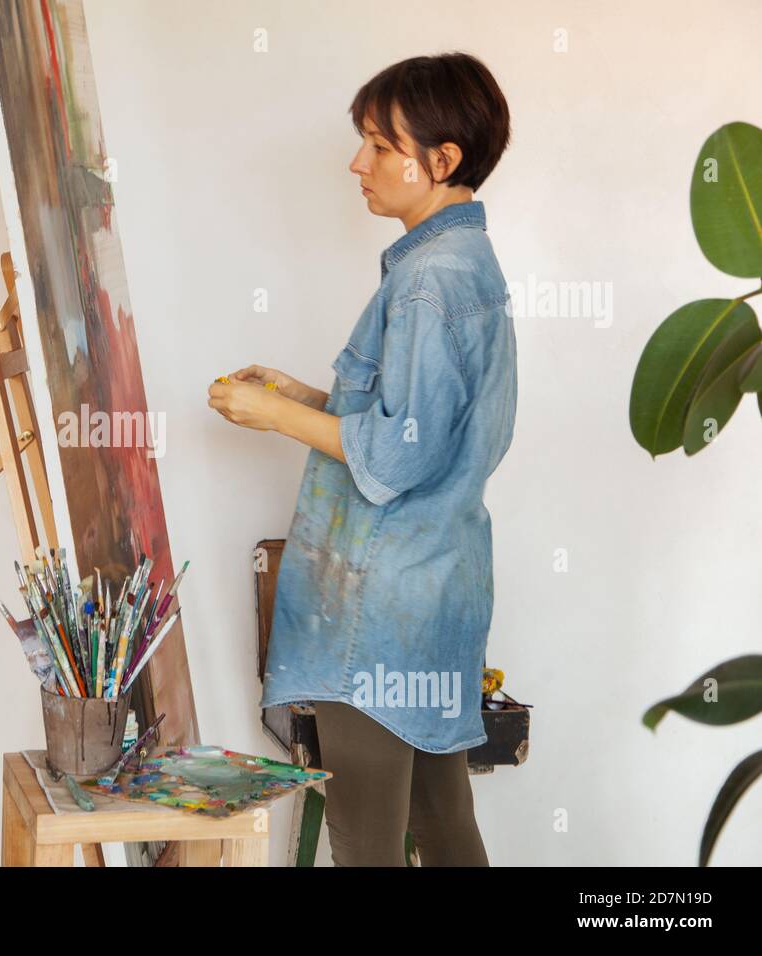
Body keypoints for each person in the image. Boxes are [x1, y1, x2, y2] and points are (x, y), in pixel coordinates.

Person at [208, 51, 516, 866]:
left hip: (382, 612)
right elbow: (424, 427)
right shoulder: (465, 266)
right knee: (445, 823)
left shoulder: (427, 283)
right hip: (436, 591)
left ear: (442, 161)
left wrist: (273, 416)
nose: (357, 162)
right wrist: (309, 398)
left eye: (381, 146)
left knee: (366, 842)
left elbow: (391, 458)